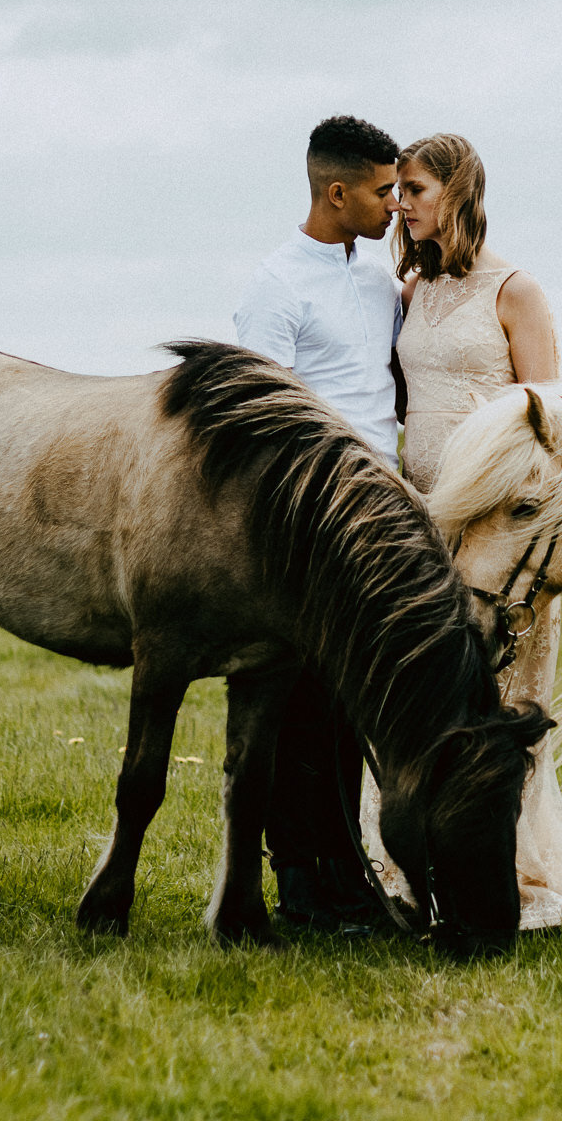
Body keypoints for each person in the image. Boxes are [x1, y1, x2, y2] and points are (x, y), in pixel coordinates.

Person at [374, 131, 562, 931]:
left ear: (456, 193)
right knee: (419, 692)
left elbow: (546, 417)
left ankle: (509, 861)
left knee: (499, 691)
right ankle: (401, 854)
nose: (400, 204)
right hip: (424, 517)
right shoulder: (410, 290)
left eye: (414, 190)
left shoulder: (515, 291)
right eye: (397, 191)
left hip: (495, 525)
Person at [234, 114, 402, 931]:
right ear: (336, 193)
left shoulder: (377, 280)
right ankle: (299, 883)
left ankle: (347, 876)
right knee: (298, 707)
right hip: (310, 517)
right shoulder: (275, 286)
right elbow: (258, 419)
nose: (394, 205)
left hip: (381, 517)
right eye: (381, 191)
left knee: (349, 709)